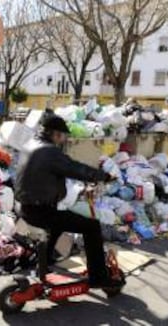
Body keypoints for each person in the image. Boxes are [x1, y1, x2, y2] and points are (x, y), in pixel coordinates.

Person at [15, 113, 123, 288]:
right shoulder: (49, 151)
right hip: (39, 210)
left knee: (57, 224)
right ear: (55, 134)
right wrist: (103, 176)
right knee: (91, 227)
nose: (63, 140)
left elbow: (48, 173)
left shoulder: (30, 145)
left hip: (25, 206)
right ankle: (99, 278)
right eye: (63, 135)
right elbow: (75, 168)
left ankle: (44, 264)